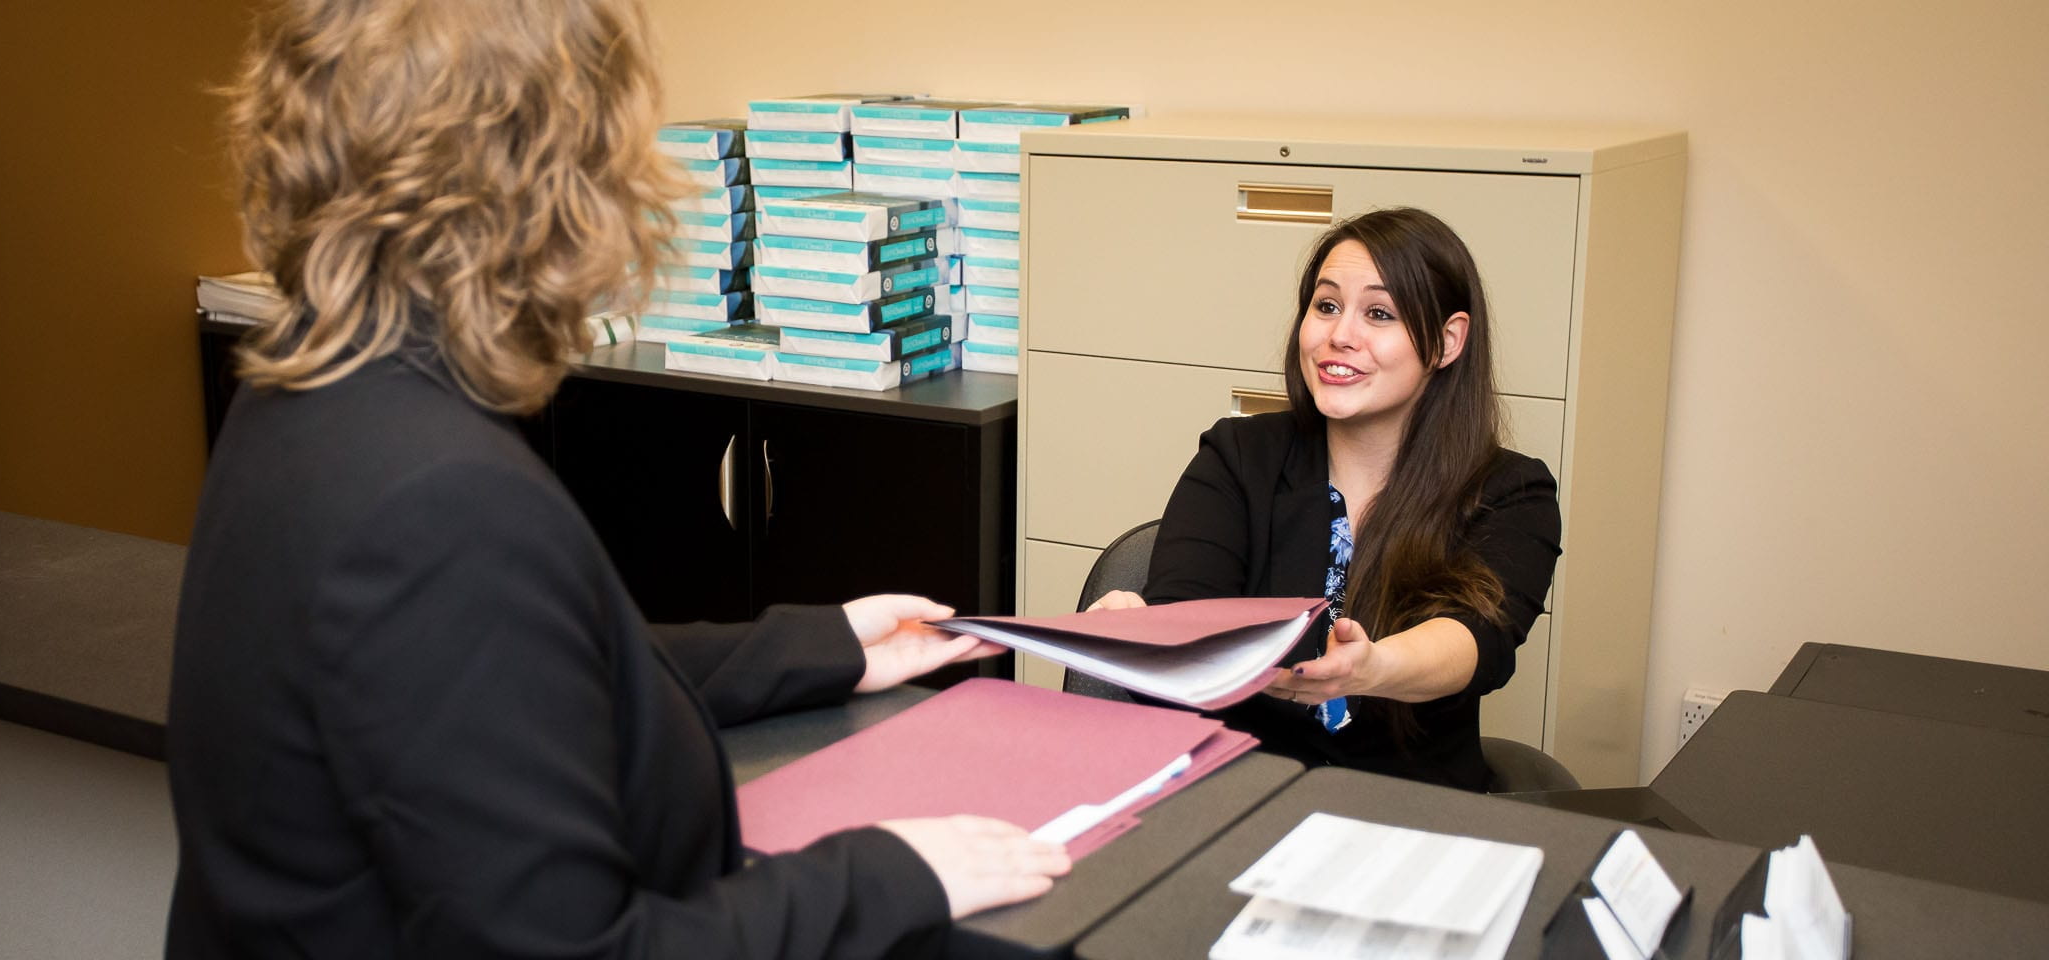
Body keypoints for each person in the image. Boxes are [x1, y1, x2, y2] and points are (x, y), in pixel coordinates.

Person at [163, 1, 1068, 957]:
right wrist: (888, 873)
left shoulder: (310, 381)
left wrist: (826, 646)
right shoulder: (438, 501)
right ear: (552, 178)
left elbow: (526, 681)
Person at [1088, 207, 1562, 791]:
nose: (1340, 335)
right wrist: (1150, 640)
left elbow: (1473, 642)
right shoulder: (1239, 457)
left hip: (1406, 810)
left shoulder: (1511, 493)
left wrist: (1372, 667)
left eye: (1379, 313)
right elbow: (1191, 622)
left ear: (1446, 341)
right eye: (1327, 305)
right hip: (1235, 792)